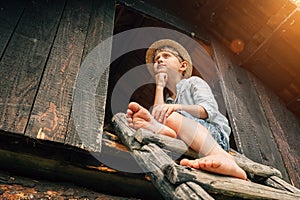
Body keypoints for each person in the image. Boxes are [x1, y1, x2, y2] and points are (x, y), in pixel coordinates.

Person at [126, 39, 247, 180]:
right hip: (186, 137)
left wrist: (177, 107)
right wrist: (159, 86)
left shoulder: (193, 82)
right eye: (156, 59)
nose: (159, 60)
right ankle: (167, 132)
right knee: (163, 115)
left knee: (169, 115)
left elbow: (207, 110)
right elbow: (158, 114)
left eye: (166, 56)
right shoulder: (167, 99)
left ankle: (221, 156)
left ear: (182, 66)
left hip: (214, 137)